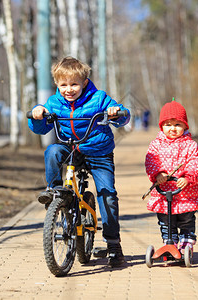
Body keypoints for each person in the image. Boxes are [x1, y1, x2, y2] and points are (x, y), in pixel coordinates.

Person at [28, 56, 131, 267]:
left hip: (98, 150)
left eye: (74, 84)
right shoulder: (54, 103)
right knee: (53, 150)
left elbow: (124, 116)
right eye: (63, 84)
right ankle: (56, 192)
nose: (69, 89)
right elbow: (41, 129)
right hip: (71, 148)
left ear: (84, 83)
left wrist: (115, 113)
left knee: (107, 194)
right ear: (56, 84)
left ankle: (113, 244)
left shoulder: (99, 98)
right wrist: (37, 116)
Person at [145, 100, 198, 253]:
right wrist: (158, 174)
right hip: (164, 193)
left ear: (185, 126)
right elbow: (151, 160)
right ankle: (170, 244)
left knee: (186, 220)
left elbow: (195, 163)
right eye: (168, 125)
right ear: (162, 126)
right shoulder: (156, 144)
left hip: (184, 193)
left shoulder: (190, 145)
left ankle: (186, 244)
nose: (173, 129)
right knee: (166, 222)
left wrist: (188, 177)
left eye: (177, 125)